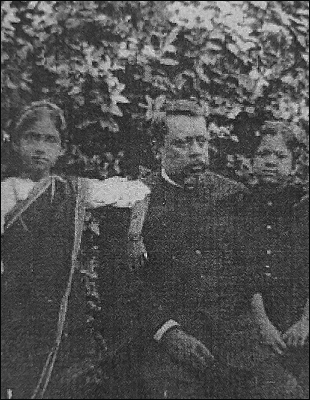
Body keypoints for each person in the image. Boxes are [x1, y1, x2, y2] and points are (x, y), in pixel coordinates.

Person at [1, 101, 151, 399]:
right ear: (16, 144)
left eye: (49, 140)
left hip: (60, 317)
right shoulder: (5, 193)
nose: (40, 148)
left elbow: (138, 192)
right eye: (31, 137)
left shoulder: (72, 191)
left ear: (61, 149)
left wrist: (134, 234)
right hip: (13, 313)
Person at [139, 99, 252, 399]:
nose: (195, 152)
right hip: (170, 344)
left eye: (201, 141)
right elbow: (127, 283)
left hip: (235, 340)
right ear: (157, 149)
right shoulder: (138, 201)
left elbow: (251, 272)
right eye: (182, 143)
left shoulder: (234, 196)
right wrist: (168, 332)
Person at [234, 120, 309, 398]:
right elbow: (244, 268)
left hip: (302, 314)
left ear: (293, 163)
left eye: (280, 156)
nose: (270, 162)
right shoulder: (242, 205)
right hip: (259, 321)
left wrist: (305, 321)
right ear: (253, 159)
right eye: (264, 154)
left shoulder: (303, 204)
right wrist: (262, 323)